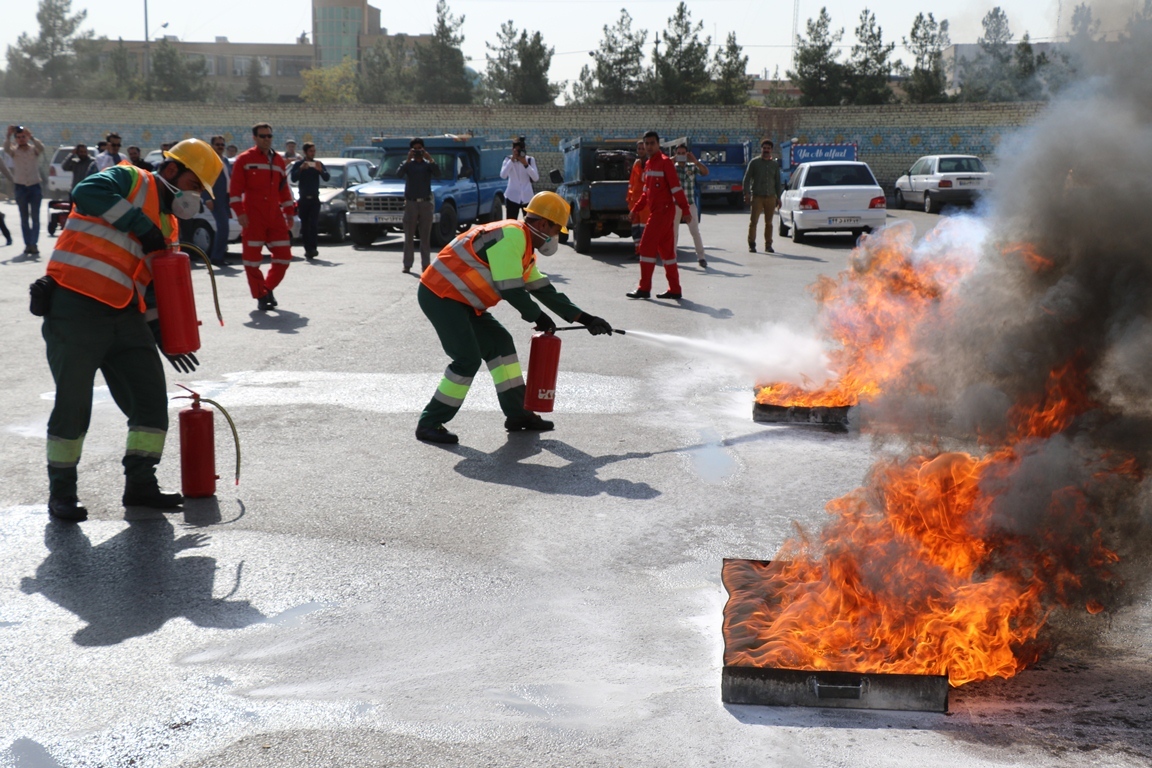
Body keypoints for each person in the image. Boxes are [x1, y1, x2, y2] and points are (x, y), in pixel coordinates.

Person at [33, 138, 223, 522]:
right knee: (73, 406)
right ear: (171, 171)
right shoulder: (131, 178)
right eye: (194, 185)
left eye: (201, 191)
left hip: (125, 317)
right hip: (76, 308)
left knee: (151, 401)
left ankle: (140, 486)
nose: (195, 196)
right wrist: (139, 225)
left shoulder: (169, 226)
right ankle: (62, 493)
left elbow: (151, 287)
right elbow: (86, 191)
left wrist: (164, 337)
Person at [415, 190, 614, 445]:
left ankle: (519, 414)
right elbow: (510, 288)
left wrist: (586, 319)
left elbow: (544, 290)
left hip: (462, 302)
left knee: (500, 344)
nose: (555, 237)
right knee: (467, 359)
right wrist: (538, 317)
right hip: (441, 296)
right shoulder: (511, 235)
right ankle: (430, 423)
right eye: (556, 230)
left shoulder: (525, 247)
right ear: (543, 224)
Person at [230, 123, 296, 311]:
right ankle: (260, 295)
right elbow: (234, 191)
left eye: (269, 136)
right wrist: (240, 213)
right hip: (253, 217)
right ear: (254, 138)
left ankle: (266, 288)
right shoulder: (244, 160)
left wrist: (289, 213)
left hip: (275, 217)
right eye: (262, 136)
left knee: (284, 257)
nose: (266, 139)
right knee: (252, 261)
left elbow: (284, 191)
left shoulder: (278, 161)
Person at [627, 131, 691, 301]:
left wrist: (685, 210)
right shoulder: (648, 164)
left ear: (658, 144)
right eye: (646, 143)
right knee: (667, 253)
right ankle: (675, 289)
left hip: (662, 213)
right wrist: (635, 209)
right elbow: (646, 193)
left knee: (646, 248)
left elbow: (676, 189)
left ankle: (644, 288)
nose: (648, 146)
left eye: (652, 143)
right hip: (659, 213)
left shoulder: (665, 163)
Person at [396, 137, 440, 273]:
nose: (417, 152)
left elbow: (438, 174)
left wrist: (430, 159)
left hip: (425, 203)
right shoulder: (407, 164)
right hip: (411, 203)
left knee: (425, 236)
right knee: (408, 236)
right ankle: (407, 264)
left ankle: (426, 265)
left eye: (419, 149)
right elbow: (398, 175)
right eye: (414, 149)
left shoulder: (427, 165)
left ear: (423, 149)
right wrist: (408, 160)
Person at [4, 125, 46, 256]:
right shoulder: (14, 151)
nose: (21, 139)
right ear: (16, 139)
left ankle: (34, 243)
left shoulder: (34, 150)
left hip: (34, 186)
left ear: (27, 137)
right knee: (24, 218)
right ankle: (27, 244)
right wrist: (8, 135)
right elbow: (6, 148)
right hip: (20, 187)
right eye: (19, 137)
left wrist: (32, 137)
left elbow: (42, 148)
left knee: (35, 218)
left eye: (24, 137)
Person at [288, 142, 329, 261]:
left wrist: (320, 170)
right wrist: (301, 169)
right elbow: (293, 178)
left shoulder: (318, 164)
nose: (313, 153)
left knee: (313, 225)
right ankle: (308, 250)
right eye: (311, 151)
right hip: (304, 200)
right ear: (305, 152)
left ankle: (313, 248)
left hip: (315, 200)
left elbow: (327, 177)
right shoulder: (299, 164)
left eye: (314, 151)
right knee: (305, 226)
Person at [672, 143, 709, 268]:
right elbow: (661, 168)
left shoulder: (692, 167)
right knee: (673, 232)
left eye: (683, 153)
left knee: (695, 231)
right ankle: (672, 257)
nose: (681, 156)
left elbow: (705, 172)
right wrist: (673, 159)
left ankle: (701, 257)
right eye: (679, 153)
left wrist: (695, 161)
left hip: (689, 204)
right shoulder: (672, 167)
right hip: (675, 205)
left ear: (687, 154)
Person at [744, 139, 783, 253]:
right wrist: (746, 193)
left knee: (769, 223)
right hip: (757, 196)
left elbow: (777, 182)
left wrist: (778, 197)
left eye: (768, 148)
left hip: (770, 197)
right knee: (753, 222)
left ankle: (768, 245)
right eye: (764, 148)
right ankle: (752, 244)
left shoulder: (774, 165)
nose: (766, 150)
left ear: (771, 150)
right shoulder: (754, 162)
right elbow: (746, 179)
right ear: (761, 149)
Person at [205, 135, 231, 267]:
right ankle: (217, 257)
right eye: (218, 144)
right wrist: (207, 198)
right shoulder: (209, 161)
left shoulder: (225, 160)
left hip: (226, 198)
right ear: (212, 146)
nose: (220, 147)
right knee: (224, 226)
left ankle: (218, 255)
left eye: (222, 144)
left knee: (224, 228)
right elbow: (203, 180)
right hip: (215, 199)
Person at [499, 137, 538, 220]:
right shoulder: (508, 160)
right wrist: (512, 160)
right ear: (513, 150)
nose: (518, 152)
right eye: (516, 150)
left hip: (527, 197)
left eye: (520, 150)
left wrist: (526, 164)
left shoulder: (530, 160)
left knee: (529, 225)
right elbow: (503, 175)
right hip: (512, 197)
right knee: (511, 225)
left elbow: (535, 178)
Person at [626, 140, 649, 257]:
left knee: (644, 228)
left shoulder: (650, 163)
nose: (640, 150)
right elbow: (632, 182)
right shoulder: (636, 164)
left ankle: (644, 252)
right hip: (635, 201)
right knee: (635, 229)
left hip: (646, 203)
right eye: (639, 148)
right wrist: (629, 199)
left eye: (642, 148)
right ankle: (637, 251)